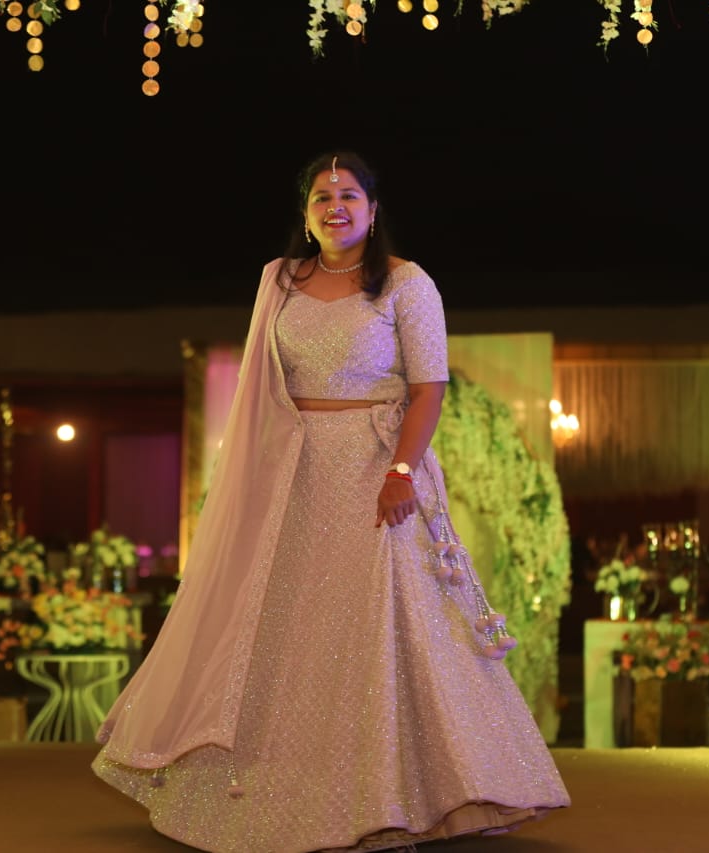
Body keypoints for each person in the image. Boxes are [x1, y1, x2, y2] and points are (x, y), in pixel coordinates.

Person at [92, 150, 571, 852]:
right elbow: (260, 391)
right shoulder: (279, 281)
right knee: (286, 621)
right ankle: (270, 786)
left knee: (383, 622)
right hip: (295, 470)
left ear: (373, 211)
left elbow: (428, 387)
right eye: (322, 196)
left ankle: (402, 792)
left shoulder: (406, 283)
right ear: (305, 212)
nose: (336, 206)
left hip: (379, 469)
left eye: (349, 195)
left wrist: (401, 469)